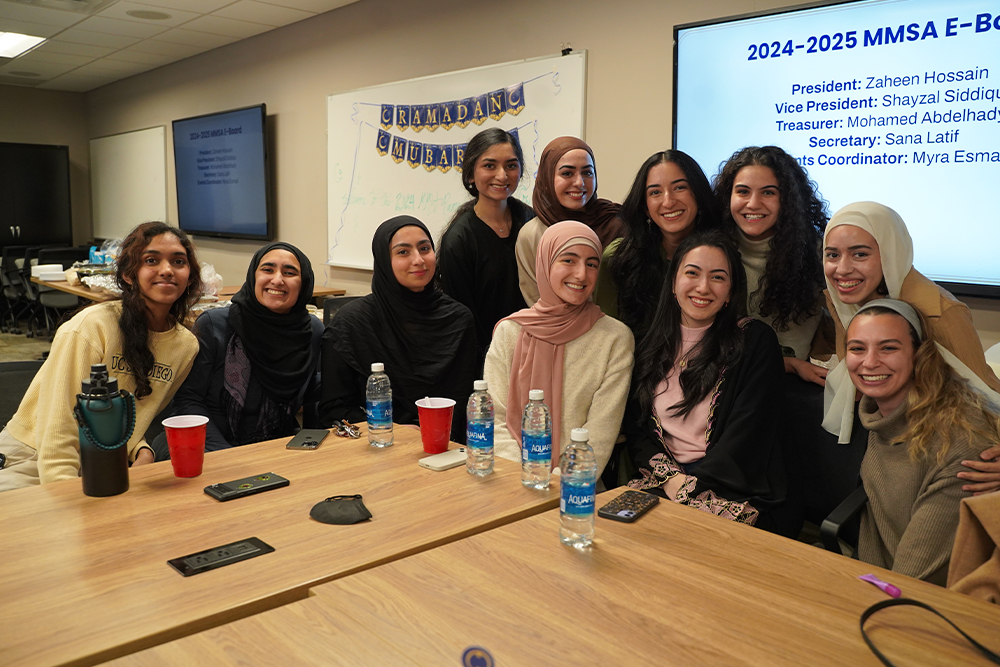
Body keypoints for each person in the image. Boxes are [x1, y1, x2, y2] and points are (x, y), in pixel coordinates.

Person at [0, 222, 203, 491]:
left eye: (178, 261)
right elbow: (58, 428)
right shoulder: (92, 327)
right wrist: (65, 494)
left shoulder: (185, 346)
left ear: (189, 276)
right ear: (129, 274)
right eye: (151, 260)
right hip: (33, 457)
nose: (167, 270)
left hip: (106, 461)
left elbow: (136, 414)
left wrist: (139, 449)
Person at [822, 201, 1000, 493]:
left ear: (891, 252)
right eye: (832, 255)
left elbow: (985, 392)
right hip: (882, 436)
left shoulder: (940, 312)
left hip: (935, 452)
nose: (842, 269)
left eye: (860, 254)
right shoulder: (844, 297)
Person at [625, 230, 790, 533]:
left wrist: (691, 487)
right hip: (664, 481)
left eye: (717, 277)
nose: (703, 287)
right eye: (692, 273)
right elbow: (637, 431)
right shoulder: (647, 344)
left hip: (733, 487)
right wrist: (670, 479)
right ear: (673, 282)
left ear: (730, 291)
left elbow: (749, 435)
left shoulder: (754, 340)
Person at [844, 299, 1000, 584]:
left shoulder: (958, 445)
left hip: (914, 596)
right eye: (857, 348)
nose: (869, 362)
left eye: (888, 348)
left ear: (919, 355)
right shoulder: (882, 414)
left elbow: (914, 578)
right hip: (871, 577)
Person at [485, 220, 633, 477]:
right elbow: (494, 419)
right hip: (509, 479)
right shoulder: (510, 331)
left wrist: (556, 485)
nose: (581, 274)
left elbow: (599, 432)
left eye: (591, 264)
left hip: (576, 487)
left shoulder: (615, 338)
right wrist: (526, 479)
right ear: (545, 263)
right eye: (568, 260)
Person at [320, 215, 476, 443]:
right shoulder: (352, 323)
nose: (419, 260)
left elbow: (465, 404)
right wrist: (394, 430)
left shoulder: (458, 319)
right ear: (384, 260)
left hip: (445, 445)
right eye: (403, 252)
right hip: (374, 444)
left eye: (425, 249)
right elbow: (334, 411)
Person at [164, 242, 324, 453]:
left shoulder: (311, 331)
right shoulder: (214, 325)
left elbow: (314, 392)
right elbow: (188, 401)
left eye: (289, 273)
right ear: (253, 276)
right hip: (211, 446)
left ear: (304, 284)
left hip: (279, 447)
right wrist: (228, 455)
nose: (277, 279)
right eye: (268, 270)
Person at [714, 145, 830, 386]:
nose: (753, 204)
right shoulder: (710, 251)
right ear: (728, 196)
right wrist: (788, 363)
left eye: (768, 192)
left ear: (787, 199)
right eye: (743, 191)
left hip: (793, 383)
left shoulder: (818, 253)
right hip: (725, 377)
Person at [596, 149, 720, 338]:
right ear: (645, 207)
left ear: (698, 193)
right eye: (655, 192)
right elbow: (605, 336)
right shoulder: (617, 257)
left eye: (679, 188)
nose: (668, 202)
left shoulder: (723, 256)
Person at [437, 129, 532, 368]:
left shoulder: (530, 221)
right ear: (470, 174)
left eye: (511, 166)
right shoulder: (459, 239)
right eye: (490, 166)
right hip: (486, 360)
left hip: (534, 349)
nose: (502, 175)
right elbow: (463, 319)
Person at [515, 137, 621, 306]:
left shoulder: (616, 224)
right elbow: (535, 296)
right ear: (547, 178)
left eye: (587, 173)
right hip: (553, 322)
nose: (579, 182)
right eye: (567, 173)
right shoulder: (532, 234)